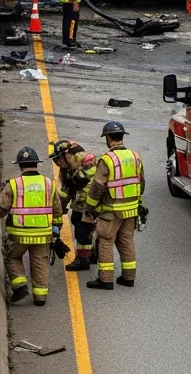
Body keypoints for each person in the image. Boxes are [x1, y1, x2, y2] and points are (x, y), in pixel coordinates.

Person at [0, 147, 63, 305]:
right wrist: (57, 230)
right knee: (40, 262)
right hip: (43, 234)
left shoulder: (14, 184)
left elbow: (1, 209)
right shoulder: (48, 184)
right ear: (36, 164)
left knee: (12, 257)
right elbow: (57, 210)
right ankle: (40, 297)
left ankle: (20, 286)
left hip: (19, 234)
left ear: (20, 166)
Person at [83, 121, 143, 289]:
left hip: (112, 210)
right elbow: (141, 182)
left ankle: (105, 279)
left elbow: (97, 187)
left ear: (108, 138)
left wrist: (89, 207)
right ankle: (129, 277)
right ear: (122, 137)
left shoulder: (107, 160)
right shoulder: (135, 156)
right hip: (131, 209)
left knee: (106, 240)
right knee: (126, 240)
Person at [49, 140, 97, 271]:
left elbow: (91, 186)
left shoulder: (87, 160)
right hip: (80, 202)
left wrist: (89, 208)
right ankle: (91, 253)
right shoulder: (65, 170)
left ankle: (83, 260)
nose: (57, 162)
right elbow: (64, 192)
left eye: (58, 158)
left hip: (92, 202)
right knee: (76, 219)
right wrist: (59, 210)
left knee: (83, 229)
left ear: (66, 154)